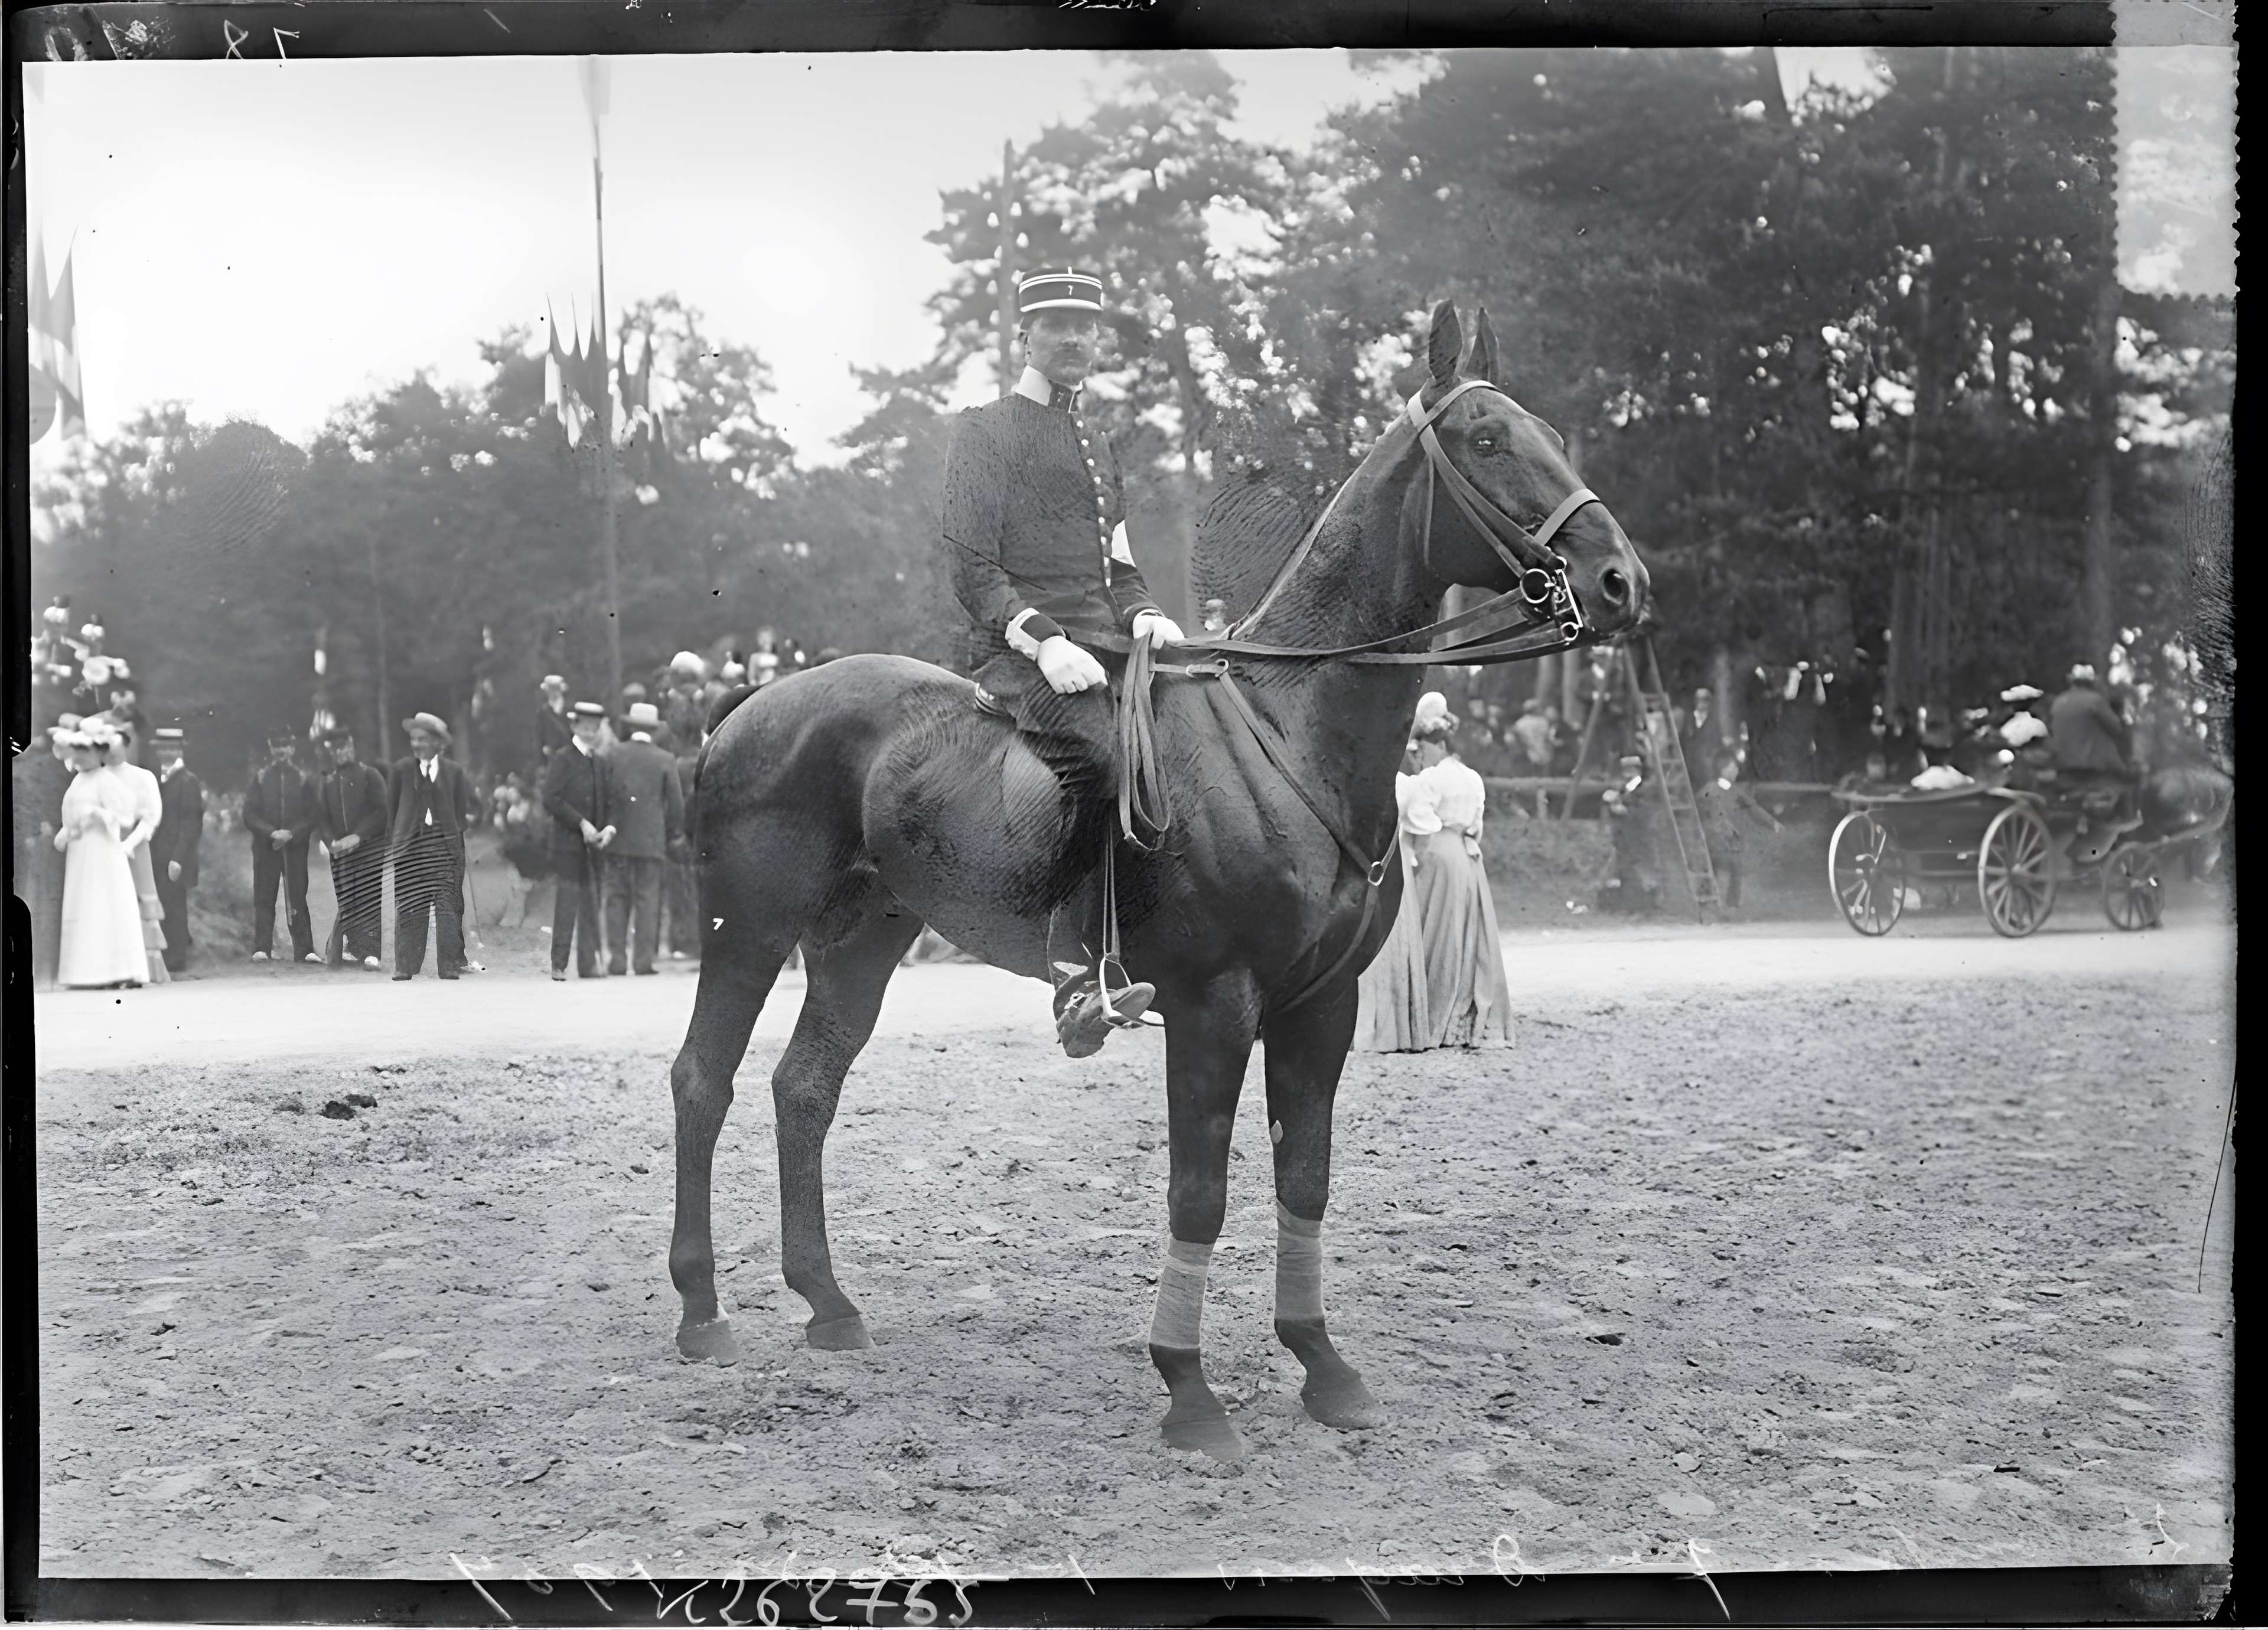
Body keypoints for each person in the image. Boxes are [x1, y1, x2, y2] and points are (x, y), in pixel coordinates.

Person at [939, 266, 1185, 1058]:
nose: (1075, 337)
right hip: (1020, 652)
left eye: (1087, 324)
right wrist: (1043, 640)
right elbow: (974, 571)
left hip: (1107, 644)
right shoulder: (985, 430)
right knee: (1098, 758)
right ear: (1024, 336)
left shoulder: (1099, 438)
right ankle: (1072, 967)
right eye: (1056, 324)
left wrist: (1146, 612)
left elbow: (1118, 567)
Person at [1402, 696, 1513, 1047]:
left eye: (1427, 747)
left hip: (1438, 851)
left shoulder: (1431, 779)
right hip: (1468, 856)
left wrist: (1418, 854)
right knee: (1466, 932)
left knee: (1434, 928)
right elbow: (1476, 826)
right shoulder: (1473, 778)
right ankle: (1462, 1012)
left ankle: (1435, 1009)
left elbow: (1419, 824)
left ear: (1441, 746)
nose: (1423, 755)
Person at [51, 718, 151, 989]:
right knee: (85, 903)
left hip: (102, 851)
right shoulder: (78, 781)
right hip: (82, 852)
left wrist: (96, 815)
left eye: (85, 751)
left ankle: (118, 971)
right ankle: (85, 973)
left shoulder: (107, 781)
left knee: (104, 903)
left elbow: (125, 816)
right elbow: (70, 813)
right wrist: (68, 830)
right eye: (77, 751)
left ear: (99, 753)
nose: (79, 757)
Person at [384, 712, 478, 980]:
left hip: (445, 851)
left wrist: (454, 834)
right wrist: (398, 842)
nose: (417, 745)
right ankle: (405, 966)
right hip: (410, 851)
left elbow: (464, 810)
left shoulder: (453, 772)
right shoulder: (401, 770)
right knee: (409, 908)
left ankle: (448, 965)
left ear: (439, 743)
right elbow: (391, 811)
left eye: (423, 739)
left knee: (449, 910)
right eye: (414, 739)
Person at [1354, 737, 1434, 1052]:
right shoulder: (1407, 786)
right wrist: (1414, 861)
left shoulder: (1361, 781)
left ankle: (1363, 1028)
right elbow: (1424, 834)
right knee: (1393, 940)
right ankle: (1398, 1030)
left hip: (1364, 868)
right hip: (1394, 863)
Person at [602, 700, 685, 976]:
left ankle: (616, 959)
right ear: (652, 729)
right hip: (651, 842)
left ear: (631, 726)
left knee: (616, 898)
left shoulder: (613, 754)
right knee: (648, 901)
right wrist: (673, 834)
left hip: (618, 840)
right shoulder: (665, 759)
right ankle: (642, 961)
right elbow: (675, 805)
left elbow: (605, 796)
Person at [543, 700, 616, 979]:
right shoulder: (563, 758)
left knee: (591, 903)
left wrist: (608, 828)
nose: (589, 733)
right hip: (567, 845)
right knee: (568, 903)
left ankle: (588, 964)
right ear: (574, 726)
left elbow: (608, 802)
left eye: (594, 728)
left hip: (593, 846)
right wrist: (581, 823)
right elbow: (550, 798)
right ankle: (558, 964)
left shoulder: (599, 761)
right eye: (585, 727)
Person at [100, 713, 171, 984]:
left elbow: (152, 816)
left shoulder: (143, 777)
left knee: (138, 900)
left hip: (135, 847)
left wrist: (129, 844)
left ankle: (146, 969)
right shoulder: (96, 777)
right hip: (103, 847)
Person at [317, 728, 390, 969]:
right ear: (332, 753)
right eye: (337, 749)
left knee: (368, 896)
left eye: (346, 747)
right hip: (340, 852)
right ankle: (353, 947)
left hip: (369, 847)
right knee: (346, 897)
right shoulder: (328, 782)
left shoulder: (370, 775)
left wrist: (358, 837)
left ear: (353, 748)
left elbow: (382, 812)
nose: (342, 753)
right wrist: (332, 843)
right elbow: (323, 818)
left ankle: (372, 952)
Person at [243, 731, 320, 964]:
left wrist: (292, 834)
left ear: (292, 749)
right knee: (265, 897)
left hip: (295, 849)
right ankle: (262, 948)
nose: (281, 750)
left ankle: (305, 950)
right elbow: (249, 814)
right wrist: (271, 832)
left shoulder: (303, 779)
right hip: (266, 848)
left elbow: (313, 815)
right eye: (276, 746)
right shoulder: (261, 777)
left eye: (285, 746)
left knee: (297, 895)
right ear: (271, 749)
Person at [148, 727, 204, 974]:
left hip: (175, 857)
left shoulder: (187, 781)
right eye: (164, 748)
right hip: (154, 855)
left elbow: (191, 824)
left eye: (173, 748)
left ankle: (177, 959)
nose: (168, 752)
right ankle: (164, 954)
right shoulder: (154, 778)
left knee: (174, 907)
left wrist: (178, 859)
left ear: (180, 750)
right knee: (161, 904)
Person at [536, 674, 575, 764]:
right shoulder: (543, 711)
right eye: (551, 689)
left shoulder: (571, 708)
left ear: (561, 690)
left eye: (556, 689)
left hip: (572, 754)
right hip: (553, 756)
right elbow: (540, 734)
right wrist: (544, 748)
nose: (553, 692)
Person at [1510, 696, 1556, 771]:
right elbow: (1549, 739)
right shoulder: (1544, 722)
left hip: (1527, 755)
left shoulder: (1520, 723)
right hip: (1543, 754)